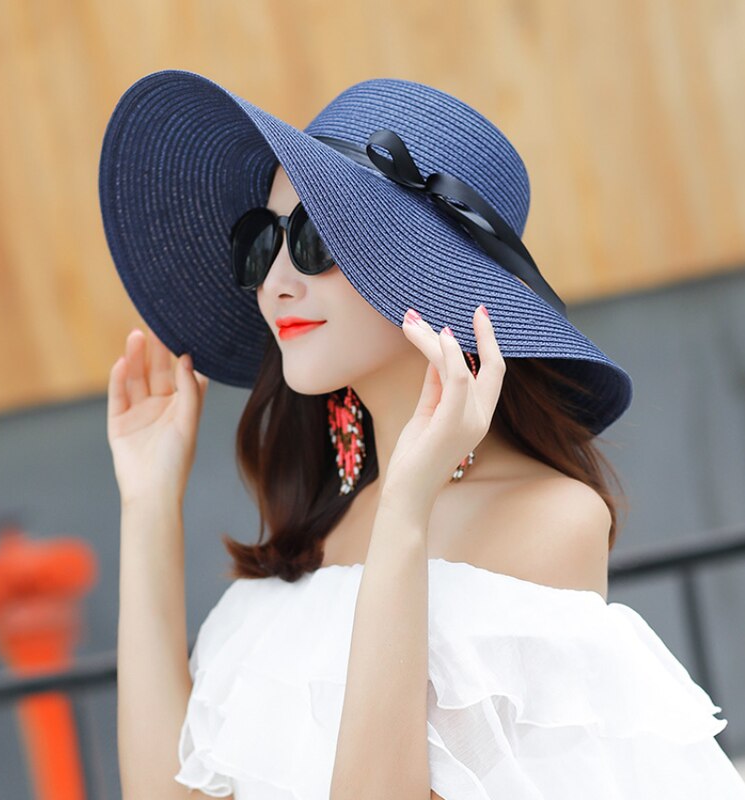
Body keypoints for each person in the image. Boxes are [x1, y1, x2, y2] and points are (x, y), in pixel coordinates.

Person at [100, 71, 745, 799]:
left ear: (428, 270)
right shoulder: (324, 517)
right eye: (262, 241)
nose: (275, 281)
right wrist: (148, 505)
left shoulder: (546, 519)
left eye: (314, 239)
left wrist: (406, 512)